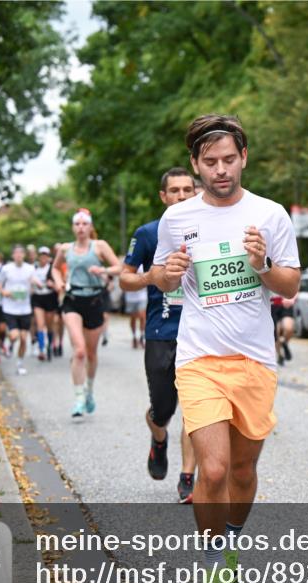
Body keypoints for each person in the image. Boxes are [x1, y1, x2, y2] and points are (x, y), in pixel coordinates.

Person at [151, 115, 301, 583]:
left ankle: (230, 543)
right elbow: (163, 278)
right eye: (210, 162)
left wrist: (261, 265)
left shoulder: (271, 215)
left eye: (229, 160)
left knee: (242, 469)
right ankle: (215, 568)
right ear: (196, 165)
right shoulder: (178, 219)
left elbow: (289, 286)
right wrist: (167, 274)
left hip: (255, 360)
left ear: (243, 158)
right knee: (211, 470)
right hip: (199, 359)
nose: (221, 170)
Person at [121, 166, 197, 502]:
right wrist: (150, 278)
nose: (182, 196)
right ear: (163, 196)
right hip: (160, 331)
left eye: (187, 189)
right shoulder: (149, 233)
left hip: (199, 333)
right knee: (162, 411)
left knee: (196, 409)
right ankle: (159, 438)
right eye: (175, 191)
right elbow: (125, 278)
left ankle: (187, 476)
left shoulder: (207, 230)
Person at [52, 209, 123, 418]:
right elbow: (55, 269)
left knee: (91, 354)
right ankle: (78, 398)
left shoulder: (99, 246)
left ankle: (89, 391)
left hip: (94, 301)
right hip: (73, 300)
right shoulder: (65, 249)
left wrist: (103, 271)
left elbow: (119, 267)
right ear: (73, 227)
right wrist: (59, 282)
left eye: (85, 224)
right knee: (79, 351)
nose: (81, 228)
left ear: (90, 227)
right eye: (77, 224)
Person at [0, 245, 36, 375]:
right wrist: (4, 292)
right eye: (16, 253)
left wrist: (35, 285)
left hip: (25, 308)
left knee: (24, 339)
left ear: (24, 255)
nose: (19, 255)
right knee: (15, 335)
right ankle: (9, 344)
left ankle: (20, 364)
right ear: (13, 255)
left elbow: (33, 282)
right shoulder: (6, 269)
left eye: (21, 253)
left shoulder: (30, 269)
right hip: (10, 308)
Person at [31, 246, 59, 362]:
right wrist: (33, 283)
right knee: (40, 324)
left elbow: (59, 286)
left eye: (45, 256)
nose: (43, 258)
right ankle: (41, 349)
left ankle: (49, 345)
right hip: (38, 298)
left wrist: (53, 285)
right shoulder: (33, 268)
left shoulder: (53, 269)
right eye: (41, 256)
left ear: (48, 257)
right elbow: (29, 281)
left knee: (49, 325)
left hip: (50, 298)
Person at [270, 294, 297, 366]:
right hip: (271, 304)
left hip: (285, 302)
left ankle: (284, 343)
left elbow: (297, 284)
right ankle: (280, 355)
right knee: (276, 333)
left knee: (289, 327)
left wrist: (293, 298)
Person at [125, 270, 148, 347]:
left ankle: (142, 336)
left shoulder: (144, 263)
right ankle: (134, 337)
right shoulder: (130, 264)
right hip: (131, 297)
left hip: (142, 295)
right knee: (133, 318)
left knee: (142, 316)